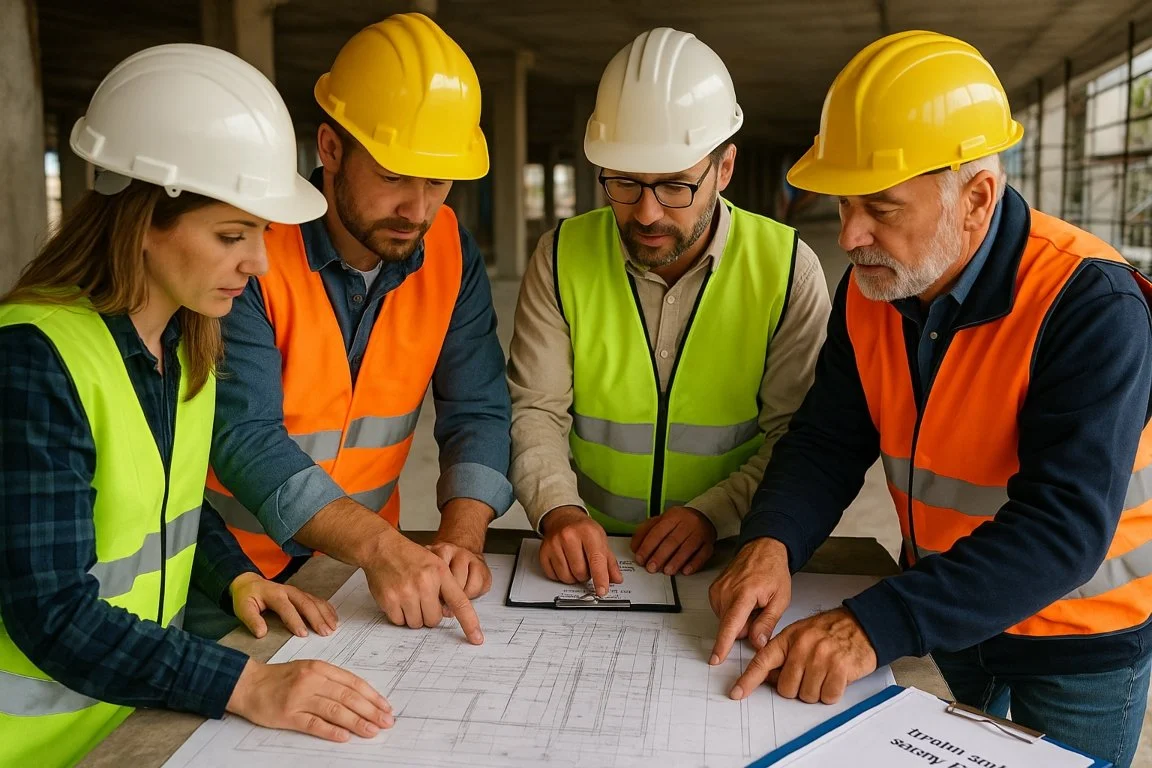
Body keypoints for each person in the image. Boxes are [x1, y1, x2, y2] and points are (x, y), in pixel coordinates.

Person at [709, 30, 1152, 768]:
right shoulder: (877, 287)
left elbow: (1064, 529)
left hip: (1079, 642)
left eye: (881, 208)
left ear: (976, 198)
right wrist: (772, 541)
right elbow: (827, 440)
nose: (850, 235)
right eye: (844, 204)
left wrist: (870, 628)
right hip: (955, 613)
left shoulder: (1090, 305)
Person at [0, 44, 394, 767]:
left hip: (133, 724)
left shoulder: (183, 344)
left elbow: (169, 505)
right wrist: (248, 685)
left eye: (262, 235)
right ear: (144, 223)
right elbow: (48, 610)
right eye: (231, 236)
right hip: (35, 749)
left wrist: (234, 573)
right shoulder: (32, 359)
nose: (259, 264)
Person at [200, 12, 508, 643]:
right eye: (394, 176)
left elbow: (478, 408)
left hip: (352, 583)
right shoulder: (252, 249)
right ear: (331, 148)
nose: (417, 208)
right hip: (224, 580)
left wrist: (460, 536)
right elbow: (244, 435)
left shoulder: (450, 250)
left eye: (437, 181)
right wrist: (380, 547)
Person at [508, 27, 830, 594]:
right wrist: (557, 510)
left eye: (676, 187)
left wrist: (716, 513)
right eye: (624, 184)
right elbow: (536, 410)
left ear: (724, 169)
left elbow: (799, 438)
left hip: (733, 556)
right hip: (591, 556)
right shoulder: (559, 257)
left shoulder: (786, 269)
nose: (647, 213)